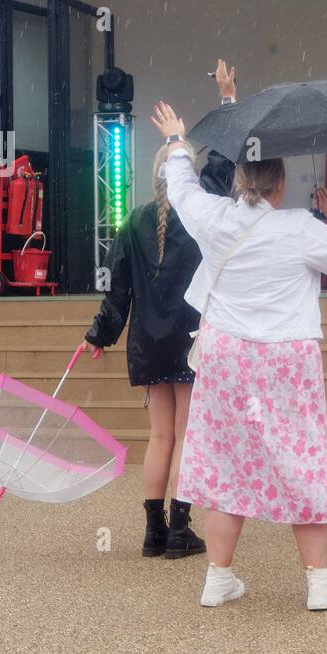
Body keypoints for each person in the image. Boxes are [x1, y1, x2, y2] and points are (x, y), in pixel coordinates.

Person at [149, 100, 327, 612]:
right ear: (278, 185)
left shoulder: (216, 218)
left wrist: (178, 142)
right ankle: (318, 582)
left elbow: (180, 190)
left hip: (225, 355)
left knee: (227, 464)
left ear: (241, 180)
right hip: (285, 358)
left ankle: (218, 578)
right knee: (303, 458)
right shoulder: (299, 227)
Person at [81, 141, 206, 561]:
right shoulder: (199, 216)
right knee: (186, 432)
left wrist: (99, 335)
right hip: (190, 339)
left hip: (148, 341)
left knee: (159, 434)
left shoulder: (132, 221)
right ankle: (180, 529)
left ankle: (154, 531)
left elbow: (118, 290)